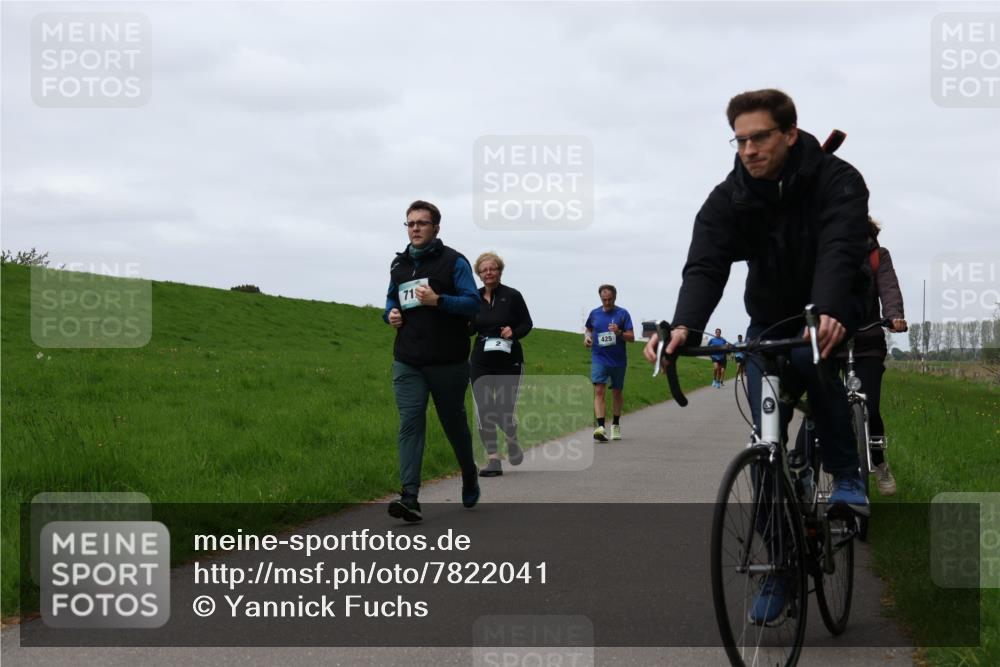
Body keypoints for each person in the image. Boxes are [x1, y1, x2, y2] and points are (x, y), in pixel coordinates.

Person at [643, 89, 872, 623]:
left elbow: (842, 246)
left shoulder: (838, 180)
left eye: (760, 137)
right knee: (764, 439)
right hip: (768, 320)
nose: (748, 149)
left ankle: (845, 476)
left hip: (825, 311)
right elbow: (705, 264)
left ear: (790, 133)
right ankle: (781, 567)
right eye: (740, 139)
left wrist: (832, 309)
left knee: (817, 363)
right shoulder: (732, 195)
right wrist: (683, 326)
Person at [383, 200, 481, 522]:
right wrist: (391, 315)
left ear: (436, 228)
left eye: (421, 223)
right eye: (410, 223)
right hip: (408, 359)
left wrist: (439, 300)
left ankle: (468, 472)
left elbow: (472, 303)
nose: (415, 228)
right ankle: (410, 496)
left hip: (448, 361)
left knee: (453, 423)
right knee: (411, 422)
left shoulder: (454, 262)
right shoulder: (399, 264)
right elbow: (390, 299)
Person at [846, 216, 907, 495]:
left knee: (869, 406)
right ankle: (804, 466)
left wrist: (894, 315)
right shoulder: (825, 253)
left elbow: (889, 288)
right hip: (830, 343)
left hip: (867, 342)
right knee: (820, 406)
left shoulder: (877, 257)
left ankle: (880, 464)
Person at [469, 252, 533, 477]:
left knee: (504, 409)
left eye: (492, 268)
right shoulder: (473, 297)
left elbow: (527, 323)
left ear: (499, 271)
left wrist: (513, 332)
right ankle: (494, 459)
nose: (488, 273)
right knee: (484, 409)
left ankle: (511, 436)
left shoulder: (512, 296)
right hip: (481, 362)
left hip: (509, 361)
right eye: (484, 270)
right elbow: (469, 329)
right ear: (478, 274)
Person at [584, 285, 634, 441]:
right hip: (599, 357)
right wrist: (587, 338)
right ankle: (600, 427)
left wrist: (618, 332)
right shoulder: (594, 313)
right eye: (604, 299)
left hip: (618, 360)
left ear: (615, 297)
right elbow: (588, 329)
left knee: (617, 392)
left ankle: (616, 424)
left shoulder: (623, 314)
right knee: (599, 391)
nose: (607, 302)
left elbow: (631, 337)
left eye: (609, 299)